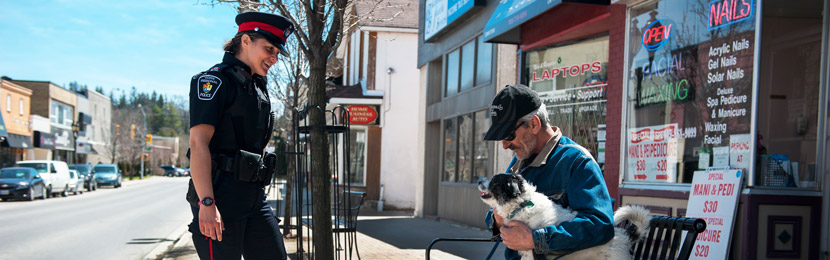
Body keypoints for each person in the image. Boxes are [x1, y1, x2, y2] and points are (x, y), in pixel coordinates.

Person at [187, 11, 294, 260]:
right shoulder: (214, 81)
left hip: (253, 197)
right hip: (219, 198)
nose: (274, 58)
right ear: (246, 41)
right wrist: (206, 204)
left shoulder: (256, 86)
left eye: (277, 53)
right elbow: (198, 143)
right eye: (269, 48)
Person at [483, 84, 615, 259]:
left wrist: (536, 239)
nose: (505, 145)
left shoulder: (577, 162)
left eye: (508, 136)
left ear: (534, 124)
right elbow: (496, 215)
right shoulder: (520, 159)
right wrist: (497, 220)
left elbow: (600, 226)